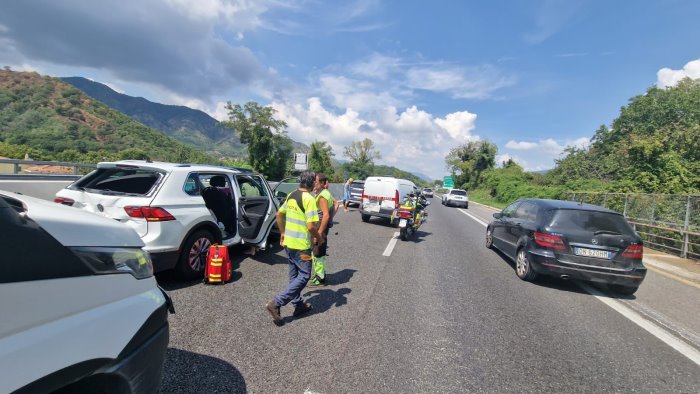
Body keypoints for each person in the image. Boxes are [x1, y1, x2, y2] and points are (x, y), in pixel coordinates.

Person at [266, 172, 324, 325]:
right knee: (304, 276)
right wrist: (318, 238)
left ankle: (298, 305)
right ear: (311, 184)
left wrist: (283, 232)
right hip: (301, 246)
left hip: (289, 244)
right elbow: (311, 226)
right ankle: (277, 302)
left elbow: (279, 214)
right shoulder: (309, 199)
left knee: (294, 275)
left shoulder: (291, 195)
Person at [309, 173, 335, 287]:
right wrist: (330, 220)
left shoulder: (322, 196)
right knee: (320, 251)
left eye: (316, 181)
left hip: (320, 226)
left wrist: (318, 234)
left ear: (323, 183)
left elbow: (325, 215)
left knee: (317, 252)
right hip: (322, 226)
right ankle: (320, 274)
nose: (314, 183)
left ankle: (319, 279)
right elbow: (336, 205)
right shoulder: (325, 193)